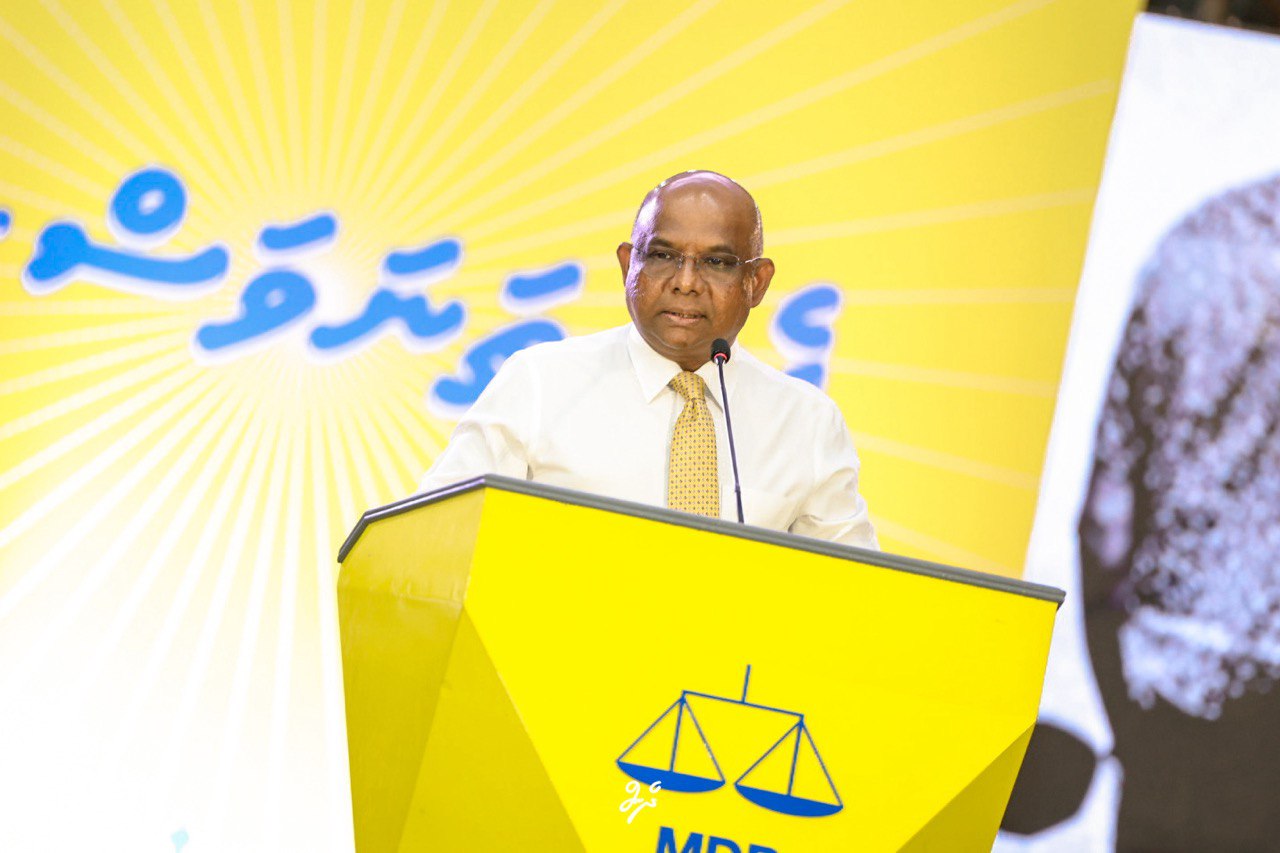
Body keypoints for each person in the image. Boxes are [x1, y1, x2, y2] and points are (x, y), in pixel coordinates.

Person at [418, 170, 877, 548]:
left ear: (756, 283)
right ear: (627, 266)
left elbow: (855, 591)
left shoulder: (807, 422)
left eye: (716, 263)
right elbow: (431, 535)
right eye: (662, 256)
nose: (686, 282)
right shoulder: (539, 383)